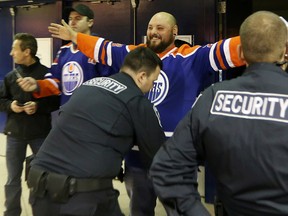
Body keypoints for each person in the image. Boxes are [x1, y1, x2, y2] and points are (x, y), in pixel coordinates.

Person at [17, 11, 245, 216]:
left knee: (179, 209)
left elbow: (228, 49)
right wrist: (76, 37)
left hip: (176, 158)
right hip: (137, 158)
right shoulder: (136, 55)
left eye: (160, 28)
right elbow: (105, 48)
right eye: (150, 28)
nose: (153, 32)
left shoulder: (192, 57)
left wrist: (268, 37)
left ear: (174, 31)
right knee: (140, 208)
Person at [150, 11, 288, 216]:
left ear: (240, 53)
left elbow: (166, 167)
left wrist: (194, 211)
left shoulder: (214, 98)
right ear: (285, 51)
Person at [26, 46, 166, 216]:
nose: (151, 87)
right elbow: (159, 156)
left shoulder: (88, 86)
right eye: (153, 81)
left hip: (39, 190)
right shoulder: (136, 101)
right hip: (83, 198)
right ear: (142, 76)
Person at [0, 33, 60, 216]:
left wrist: (38, 106)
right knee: (12, 179)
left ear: (27, 52)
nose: (11, 53)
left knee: (42, 177)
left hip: (40, 134)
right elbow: (1, 100)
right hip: (15, 134)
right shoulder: (11, 77)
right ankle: (11, 212)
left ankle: (42, 212)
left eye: (14, 49)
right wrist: (11, 106)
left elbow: (56, 102)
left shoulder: (46, 74)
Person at [39, 4, 117, 105]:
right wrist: (37, 85)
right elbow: (55, 80)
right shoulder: (63, 51)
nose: (72, 22)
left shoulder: (100, 47)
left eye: (78, 18)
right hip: (67, 113)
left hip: (91, 114)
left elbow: (110, 84)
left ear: (90, 22)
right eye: (70, 18)